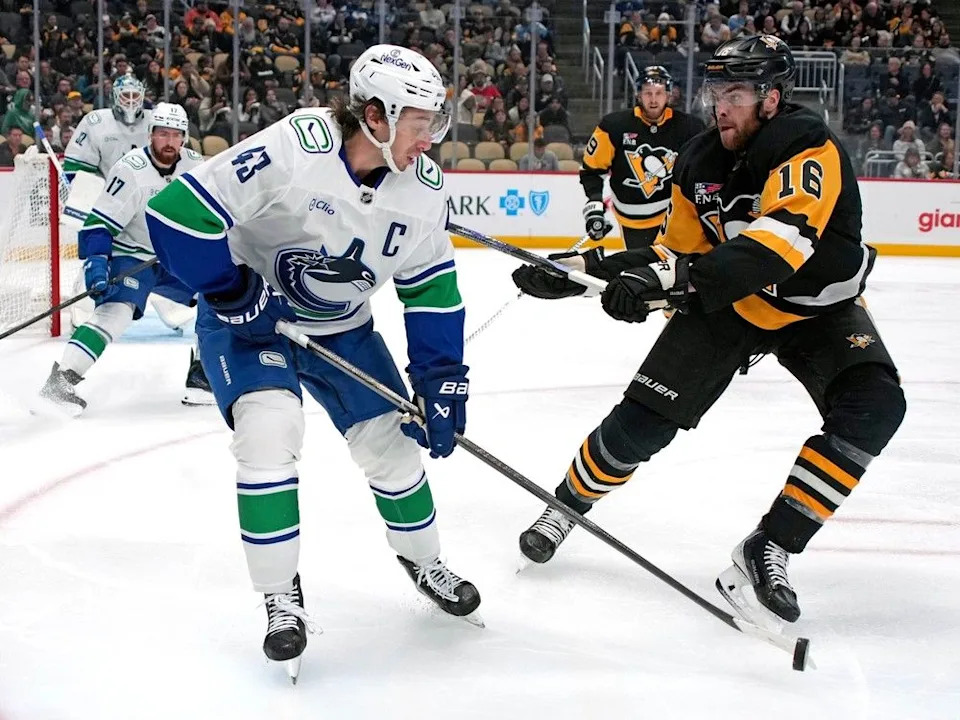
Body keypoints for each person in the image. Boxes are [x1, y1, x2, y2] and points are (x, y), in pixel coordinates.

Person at [511, 36, 905, 631]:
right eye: (717, 92)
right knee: (642, 423)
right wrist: (583, 269)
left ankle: (769, 545)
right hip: (733, 305)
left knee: (875, 406)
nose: (722, 106)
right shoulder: (698, 160)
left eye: (738, 93)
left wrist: (666, 285)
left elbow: (777, 248)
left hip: (817, 310)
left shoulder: (808, 150)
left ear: (772, 98)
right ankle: (564, 509)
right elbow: (676, 251)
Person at [143, 44, 482, 680]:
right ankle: (279, 595)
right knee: (268, 437)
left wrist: (442, 380)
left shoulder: (424, 191)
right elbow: (177, 216)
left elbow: (432, 290)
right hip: (253, 321)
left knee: (393, 448)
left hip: (344, 330)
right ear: (375, 116)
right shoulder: (294, 147)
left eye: (436, 123)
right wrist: (232, 291)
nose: (430, 139)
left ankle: (425, 561)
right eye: (420, 123)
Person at [37, 104, 210, 414]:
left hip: (172, 256)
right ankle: (60, 382)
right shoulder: (130, 170)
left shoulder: (196, 167)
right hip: (131, 253)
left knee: (217, 296)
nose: (169, 141)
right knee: (114, 313)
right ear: (151, 135)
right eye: (162, 134)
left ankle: (201, 376)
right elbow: (99, 225)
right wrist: (97, 265)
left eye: (175, 135)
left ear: (184, 138)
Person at [579, 65, 704, 250]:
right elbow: (592, 171)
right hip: (632, 220)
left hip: (674, 218)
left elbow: (702, 171)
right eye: (648, 93)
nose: (653, 100)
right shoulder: (614, 126)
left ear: (669, 95)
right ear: (638, 95)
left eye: (659, 93)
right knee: (639, 272)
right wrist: (595, 203)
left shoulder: (690, 128)